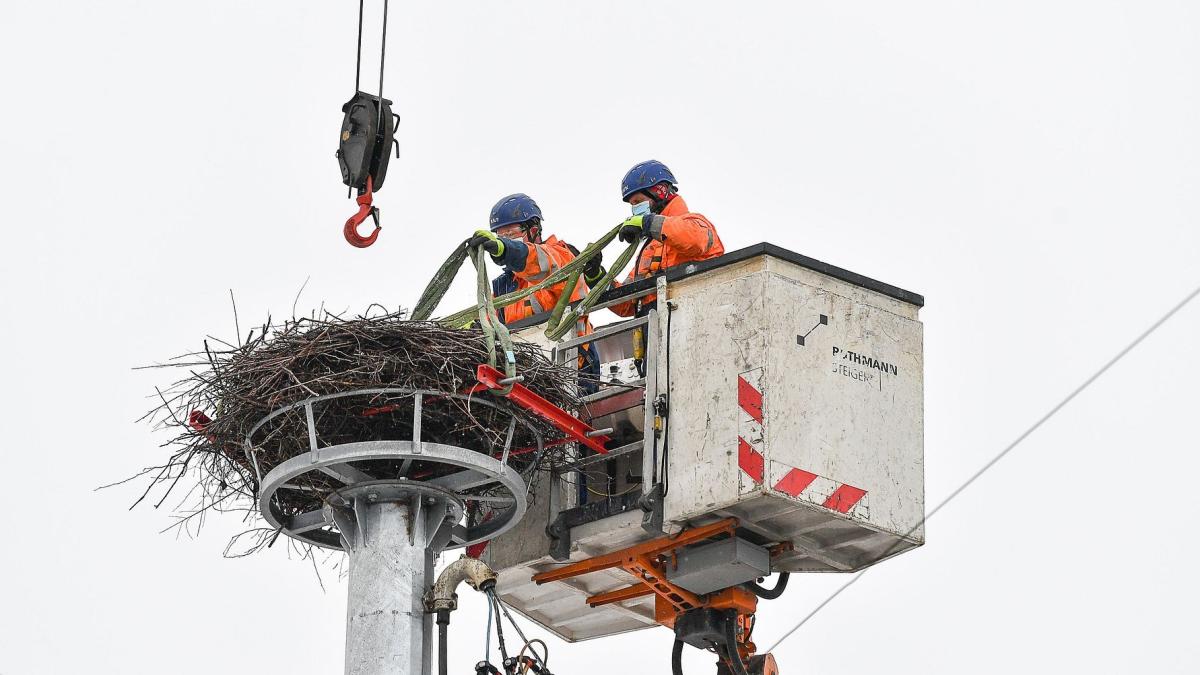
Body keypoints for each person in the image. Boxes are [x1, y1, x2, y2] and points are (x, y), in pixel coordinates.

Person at [469, 193, 599, 389]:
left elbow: (540, 262)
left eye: (510, 235)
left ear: (534, 230)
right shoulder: (504, 287)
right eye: (500, 236)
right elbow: (492, 323)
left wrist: (506, 250)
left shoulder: (562, 256)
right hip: (531, 375)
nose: (505, 240)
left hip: (575, 369)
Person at [583, 160, 724, 317]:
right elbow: (626, 304)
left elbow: (693, 240)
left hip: (693, 323)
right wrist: (595, 276)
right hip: (655, 335)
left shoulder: (697, 224)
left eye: (638, 201)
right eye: (631, 204)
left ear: (660, 191)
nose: (634, 208)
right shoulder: (650, 249)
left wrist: (648, 223)